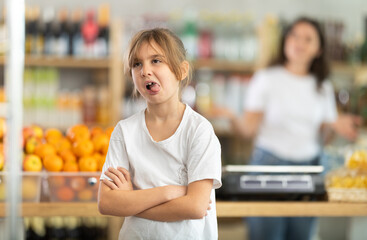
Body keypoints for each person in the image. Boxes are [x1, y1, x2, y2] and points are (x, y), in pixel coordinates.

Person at [213, 17, 362, 240]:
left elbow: (324, 139)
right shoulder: (266, 79)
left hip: (310, 170)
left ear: (319, 49)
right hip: (268, 168)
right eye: (294, 35)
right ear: (285, 40)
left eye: (308, 39)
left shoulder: (323, 87)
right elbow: (247, 131)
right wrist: (232, 117)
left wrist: (334, 125)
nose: (299, 42)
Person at [98, 28, 222, 240]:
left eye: (156, 61)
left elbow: (195, 207)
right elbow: (107, 203)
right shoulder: (124, 131)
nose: (145, 70)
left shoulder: (199, 130)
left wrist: (131, 201)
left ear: (182, 71)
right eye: (137, 64)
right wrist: (168, 192)